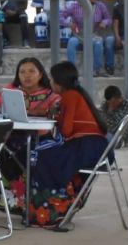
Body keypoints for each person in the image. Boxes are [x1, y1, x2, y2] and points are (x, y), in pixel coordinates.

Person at [28, 61, 108, 228]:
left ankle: (53, 209)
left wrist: (56, 119)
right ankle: (59, 206)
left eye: (51, 79)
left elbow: (66, 130)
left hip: (86, 147)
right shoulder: (77, 94)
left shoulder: (69, 96)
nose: (49, 82)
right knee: (47, 154)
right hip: (95, 147)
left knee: (43, 157)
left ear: (58, 82)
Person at [0, 58, 61, 214]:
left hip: (40, 140)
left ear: (40, 75)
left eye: (32, 71)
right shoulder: (9, 91)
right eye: (22, 72)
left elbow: (57, 113)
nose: (27, 75)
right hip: (10, 138)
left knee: (30, 155)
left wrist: (40, 112)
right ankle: (3, 197)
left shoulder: (52, 95)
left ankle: (28, 203)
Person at [60, 0, 114, 77]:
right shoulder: (74, 6)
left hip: (94, 35)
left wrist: (104, 22)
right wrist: (69, 24)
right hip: (79, 35)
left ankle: (97, 70)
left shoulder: (100, 6)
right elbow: (60, 16)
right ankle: (72, 71)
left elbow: (108, 18)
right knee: (71, 43)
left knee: (98, 43)